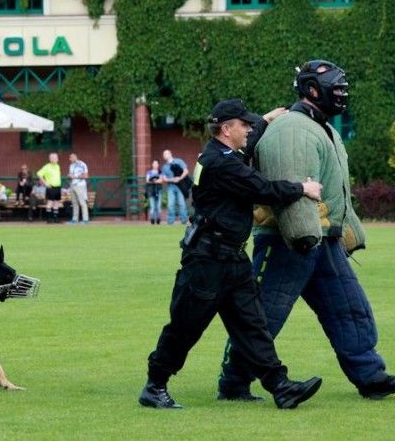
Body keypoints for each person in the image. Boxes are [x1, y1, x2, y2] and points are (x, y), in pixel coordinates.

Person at [217, 60, 395, 402]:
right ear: (311, 89)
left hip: (324, 239)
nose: (341, 95)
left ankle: (370, 376)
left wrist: (343, 230)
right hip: (290, 241)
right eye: (336, 89)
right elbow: (292, 182)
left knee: (350, 308)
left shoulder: (322, 128)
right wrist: (303, 233)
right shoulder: (293, 129)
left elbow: (334, 188)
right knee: (264, 314)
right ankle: (234, 381)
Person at [139, 98, 325, 410]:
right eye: (244, 125)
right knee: (185, 327)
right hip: (207, 261)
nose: (249, 129)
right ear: (227, 129)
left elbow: (245, 156)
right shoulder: (221, 163)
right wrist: (302, 189)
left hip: (232, 258)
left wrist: (264, 121)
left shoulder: (220, 154)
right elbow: (260, 188)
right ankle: (155, 385)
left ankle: (281, 386)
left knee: (252, 325)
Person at [161, 150, 189, 225]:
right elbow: (163, 178)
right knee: (170, 204)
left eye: (166, 153)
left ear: (170, 154)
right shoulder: (164, 167)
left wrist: (179, 178)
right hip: (170, 186)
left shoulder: (179, 161)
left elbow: (186, 171)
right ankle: (170, 222)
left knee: (181, 203)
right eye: (164, 154)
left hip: (180, 185)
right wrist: (172, 179)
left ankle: (184, 221)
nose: (165, 155)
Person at [36, 153, 62, 223]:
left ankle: (55, 218)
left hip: (58, 186)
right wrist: (45, 183)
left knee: (56, 203)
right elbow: (38, 174)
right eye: (54, 158)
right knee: (50, 202)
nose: (57, 159)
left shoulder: (57, 166)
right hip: (51, 187)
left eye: (57, 157)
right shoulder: (47, 166)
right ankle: (49, 219)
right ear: (50, 159)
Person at [67, 153, 89, 224]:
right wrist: (69, 176)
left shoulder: (82, 164)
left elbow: (86, 176)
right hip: (72, 185)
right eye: (70, 158)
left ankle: (85, 219)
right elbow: (70, 176)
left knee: (82, 202)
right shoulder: (71, 165)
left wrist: (75, 177)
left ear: (75, 157)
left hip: (80, 185)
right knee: (74, 203)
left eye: (71, 157)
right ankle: (75, 219)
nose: (70, 159)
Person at [145, 160, 163, 224]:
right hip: (151, 191)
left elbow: (161, 180)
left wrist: (156, 180)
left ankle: (158, 220)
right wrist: (154, 180)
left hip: (158, 190)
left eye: (156, 163)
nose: (155, 165)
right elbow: (147, 180)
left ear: (158, 165)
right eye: (154, 163)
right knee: (152, 206)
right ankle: (152, 220)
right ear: (152, 165)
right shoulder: (149, 172)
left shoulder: (160, 172)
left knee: (158, 206)